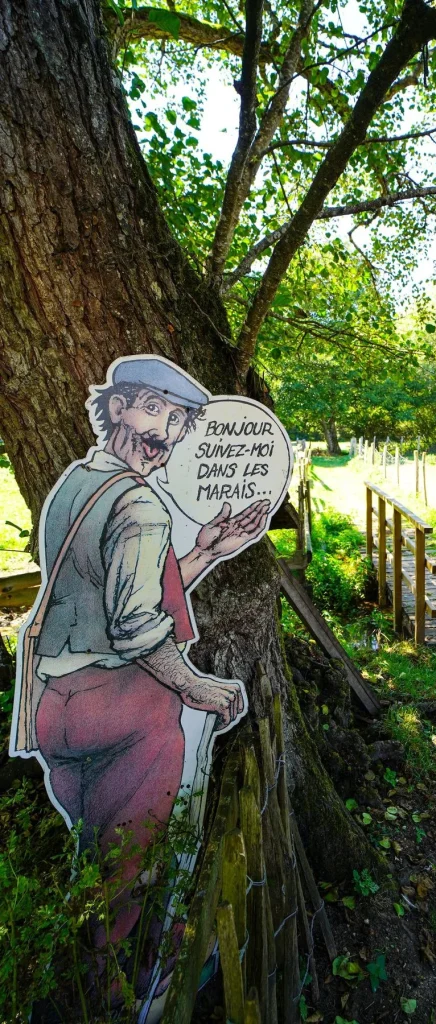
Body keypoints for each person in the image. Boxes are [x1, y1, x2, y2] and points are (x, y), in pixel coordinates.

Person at [11, 356, 271, 956]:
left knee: (96, 850)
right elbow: (134, 624)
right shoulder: (143, 507)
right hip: (124, 711)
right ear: (119, 406)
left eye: (178, 421)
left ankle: (98, 956)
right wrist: (195, 687)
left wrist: (206, 550)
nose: (164, 433)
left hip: (57, 709)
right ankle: (115, 987)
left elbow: (114, 591)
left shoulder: (78, 484)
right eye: (154, 410)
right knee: (132, 864)